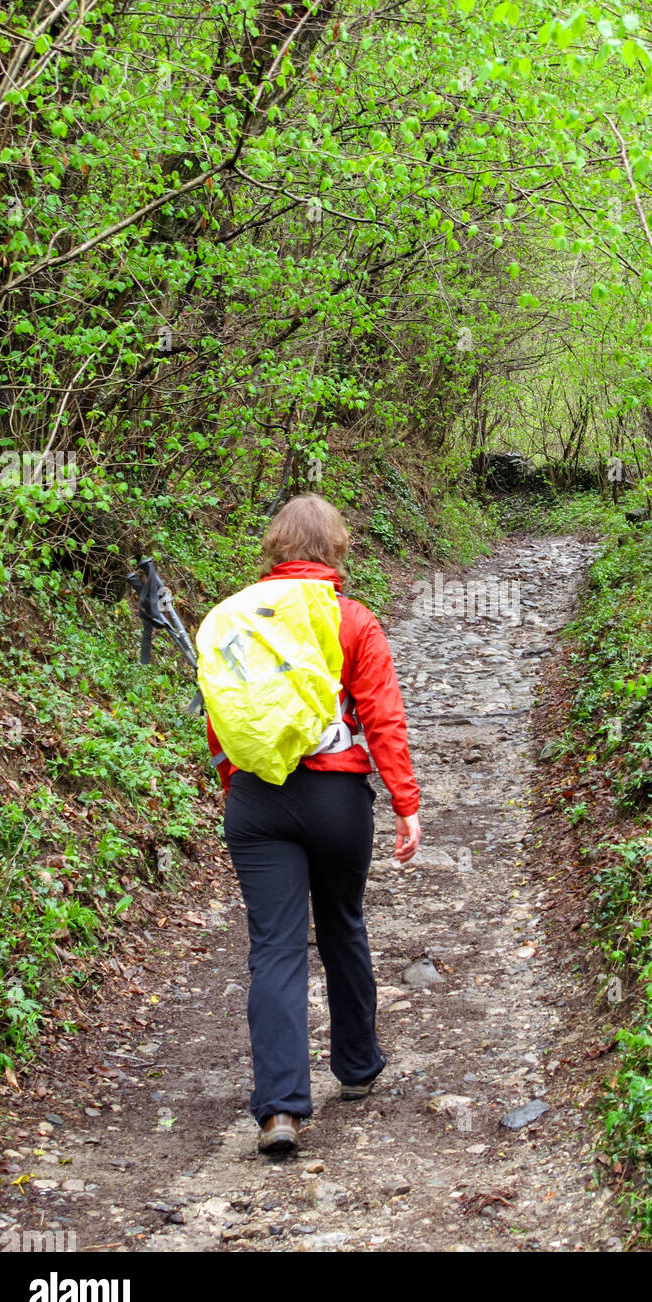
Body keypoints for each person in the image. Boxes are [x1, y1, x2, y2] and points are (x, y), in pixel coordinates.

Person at [206, 494, 421, 1154]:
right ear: (335, 546)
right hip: (335, 798)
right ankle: (356, 1068)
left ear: (274, 545)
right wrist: (406, 804)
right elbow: (381, 719)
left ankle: (278, 1110)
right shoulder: (352, 620)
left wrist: (235, 788)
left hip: (256, 798)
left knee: (273, 947)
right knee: (341, 922)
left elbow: (221, 718)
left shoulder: (234, 618)